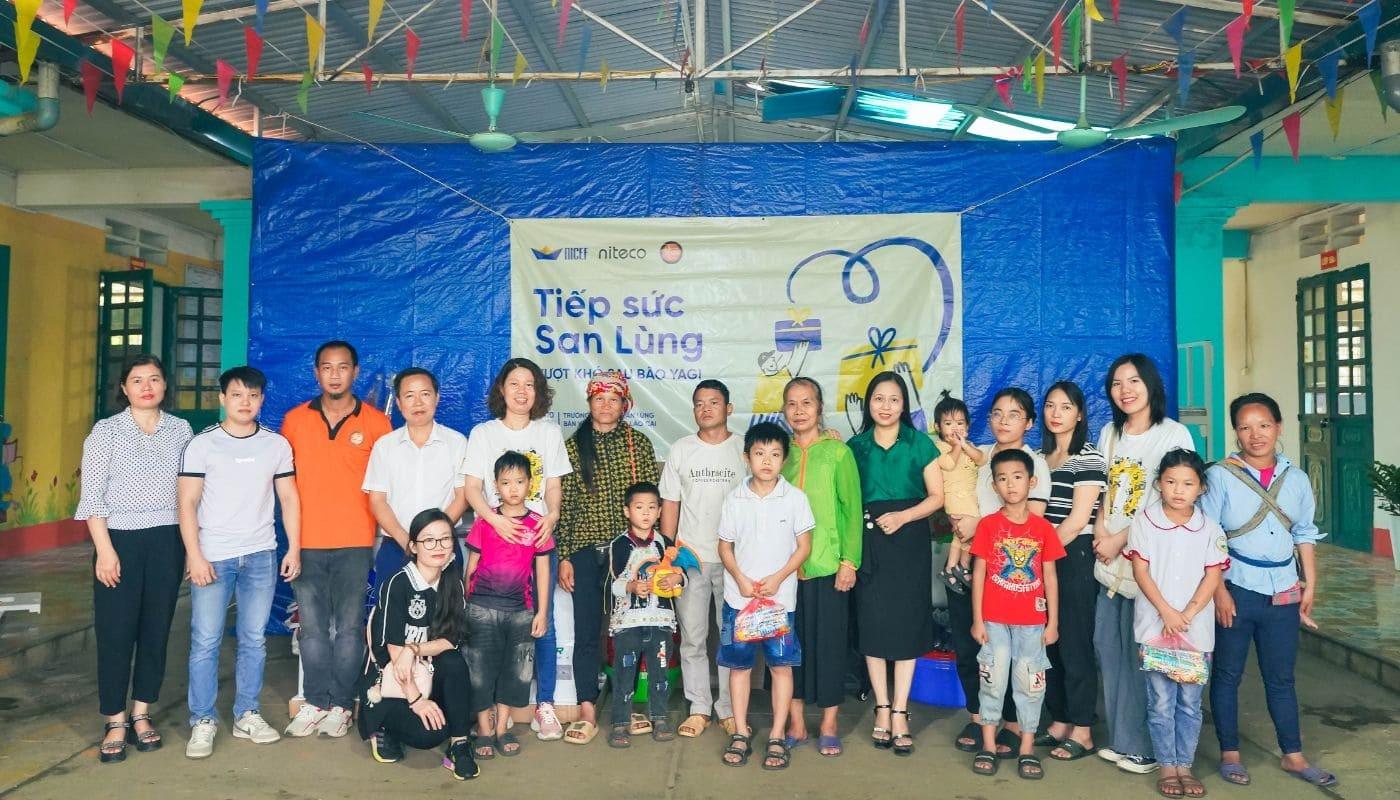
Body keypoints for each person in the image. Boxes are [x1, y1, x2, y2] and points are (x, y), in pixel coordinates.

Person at [1201, 393, 1336, 788]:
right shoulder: (1220, 476)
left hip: (1283, 590)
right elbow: (1209, 537)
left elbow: (1304, 532)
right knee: (1227, 674)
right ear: (1235, 432)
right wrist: (1218, 592)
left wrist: (1309, 581)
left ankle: (1293, 755)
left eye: (1263, 425)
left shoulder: (1296, 478)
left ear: (1278, 427)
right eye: (1245, 426)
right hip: (1236, 587)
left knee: (1282, 677)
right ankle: (1230, 753)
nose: (1255, 434)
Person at [179, 366, 301, 759]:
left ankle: (246, 712)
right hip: (213, 556)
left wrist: (293, 548)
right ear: (222, 399)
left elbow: (289, 500)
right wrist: (194, 555)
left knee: (253, 638)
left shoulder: (276, 445)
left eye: (252, 395)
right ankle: (202, 719)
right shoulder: (203, 445)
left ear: (262, 399)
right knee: (205, 640)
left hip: (261, 554)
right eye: (236, 395)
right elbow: (187, 503)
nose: (244, 402)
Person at [77, 355, 194, 763]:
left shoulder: (181, 430)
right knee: (115, 631)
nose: (146, 386)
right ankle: (115, 719)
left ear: (165, 386)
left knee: (156, 628)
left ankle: (142, 712)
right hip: (118, 541)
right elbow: (91, 497)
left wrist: (187, 547)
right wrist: (105, 550)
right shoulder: (105, 432)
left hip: (166, 540)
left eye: (154, 379)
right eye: (136, 380)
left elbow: (188, 495)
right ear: (123, 389)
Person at [281, 340, 393, 738]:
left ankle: (342, 705)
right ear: (316, 373)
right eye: (326, 367)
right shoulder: (294, 421)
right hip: (306, 542)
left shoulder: (378, 424)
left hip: (355, 542)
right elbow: (284, 485)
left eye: (342, 367)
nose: (334, 374)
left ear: (355, 372)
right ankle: (314, 701)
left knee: (348, 628)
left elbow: (385, 486)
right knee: (311, 629)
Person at [1093, 354, 1196, 775]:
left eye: (1134, 381)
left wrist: (1120, 538)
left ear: (1151, 384)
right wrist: (1102, 531)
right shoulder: (1109, 433)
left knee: (1144, 656)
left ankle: (1149, 748)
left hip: (1148, 564)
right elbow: (1101, 488)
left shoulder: (1173, 434)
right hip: (1109, 563)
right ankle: (1123, 740)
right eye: (1117, 383)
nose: (1126, 390)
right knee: (1109, 649)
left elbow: (1172, 499)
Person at [462, 357, 571, 740]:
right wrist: (494, 521)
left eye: (530, 384)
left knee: (542, 622)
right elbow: (472, 489)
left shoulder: (549, 433)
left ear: (538, 392)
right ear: (502, 390)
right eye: (514, 383)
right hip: (494, 539)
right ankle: (488, 707)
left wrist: (551, 517)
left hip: (536, 539)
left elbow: (554, 488)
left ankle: (544, 704)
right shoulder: (484, 433)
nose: (522, 390)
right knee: (487, 626)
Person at [947, 388, 1052, 757]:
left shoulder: (1032, 463)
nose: (1004, 420)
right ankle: (980, 717)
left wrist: (976, 524)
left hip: (1011, 574)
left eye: (1014, 413)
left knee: (1018, 656)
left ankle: (1012, 722)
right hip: (970, 560)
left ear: (1029, 422)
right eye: (997, 413)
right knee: (974, 644)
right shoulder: (980, 456)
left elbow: (1031, 524)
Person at [557, 370, 659, 744]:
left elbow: (651, 505)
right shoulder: (572, 447)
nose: (605, 405)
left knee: (629, 633)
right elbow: (563, 507)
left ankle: (626, 705)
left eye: (613, 399)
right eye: (598, 399)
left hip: (628, 552)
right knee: (586, 633)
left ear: (624, 404)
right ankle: (587, 709)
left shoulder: (639, 445)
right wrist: (564, 556)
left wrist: (651, 554)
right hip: (584, 552)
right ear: (588, 403)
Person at [848, 372, 944, 757]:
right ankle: (882, 709)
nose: (885, 406)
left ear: (904, 405)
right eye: (878, 399)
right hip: (869, 541)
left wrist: (904, 517)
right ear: (868, 404)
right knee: (872, 625)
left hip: (908, 542)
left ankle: (901, 711)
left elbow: (937, 497)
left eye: (893, 399)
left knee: (906, 625)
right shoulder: (856, 447)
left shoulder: (920, 443)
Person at [1125, 449, 1228, 799]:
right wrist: (1167, 612)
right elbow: (1141, 570)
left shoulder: (1210, 529)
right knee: (1161, 702)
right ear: (1159, 484)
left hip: (1195, 633)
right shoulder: (1145, 521)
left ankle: (1185, 764)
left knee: (1190, 703)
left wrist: (1188, 613)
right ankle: (1167, 765)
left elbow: (1213, 574)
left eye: (1188, 483)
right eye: (1170, 482)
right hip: (1156, 629)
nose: (1178, 490)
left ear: (1200, 488)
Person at [717, 422, 814, 770]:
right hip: (738, 601)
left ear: (784, 460)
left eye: (775, 454)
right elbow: (724, 547)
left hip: (780, 603)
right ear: (747, 458)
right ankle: (740, 731)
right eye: (759, 454)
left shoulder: (795, 499)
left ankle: (776, 734)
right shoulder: (734, 499)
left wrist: (777, 578)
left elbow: (804, 547)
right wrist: (741, 579)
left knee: (781, 667)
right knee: (739, 667)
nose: (767, 461)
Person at [358, 509, 478, 781]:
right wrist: (416, 700)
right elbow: (394, 653)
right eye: (429, 540)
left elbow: (450, 640)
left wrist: (415, 649)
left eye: (445, 539)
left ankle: (460, 745)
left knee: (456, 664)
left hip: (427, 671)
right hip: (392, 682)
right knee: (429, 735)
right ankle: (383, 725)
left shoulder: (452, 581)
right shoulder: (396, 584)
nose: (439, 547)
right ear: (413, 546)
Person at [778, 377, 862, 757]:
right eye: (792, 404)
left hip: (827, 565)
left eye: (806, 403)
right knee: (788, 649)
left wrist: (849, 561)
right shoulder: (779, 453)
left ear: (820, 407)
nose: (799, 410)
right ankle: (795, 722)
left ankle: (829, 722)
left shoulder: (838, 453)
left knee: (829, 645)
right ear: (783, 410)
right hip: (783, 571)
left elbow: (851, 511)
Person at [968, 449, 1064, 781]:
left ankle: (1026, 747)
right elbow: (978, 572)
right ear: (994, 485)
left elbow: (1049, 576)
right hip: (993, 619)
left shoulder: (1043, 528)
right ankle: (989, 745)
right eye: (1003, 478)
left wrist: (1053, 622)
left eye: (1018, 477)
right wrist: (977, 619)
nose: (1010, 484)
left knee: (1030, 684)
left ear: (1031, 482)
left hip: (1033, 623)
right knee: (993, 681)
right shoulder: (988, 526)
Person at [660, 379, 746, 739]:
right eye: (699, 403)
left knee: (729, 638)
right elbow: (670, 505)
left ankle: (728, 708)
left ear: (729, 408)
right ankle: (698, 707)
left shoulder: (745, 450)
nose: (706, 409)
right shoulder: (681, 450)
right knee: (693, 639)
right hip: (691, 560)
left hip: (735, 562)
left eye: (714, 402)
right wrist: (669, 557)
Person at [463, 451, 552, 760]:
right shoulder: (486, 522)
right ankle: (484, 730)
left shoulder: (538, 524)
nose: (513, 488)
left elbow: (543, 570)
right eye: (505, 482)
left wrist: (541, 612)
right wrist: (467, 602)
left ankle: (502, 728)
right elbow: (471, 564)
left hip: (520, 611)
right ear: (495, 486)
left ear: (530, 484)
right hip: (481, 608)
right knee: (480, 671)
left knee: (515, 672)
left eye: (519, 481)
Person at [1037, 381, 1106, 761]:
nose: (1056, 413)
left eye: (1065, 407)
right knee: (1050, 643)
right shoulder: (1038, 458)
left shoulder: (1088, 458)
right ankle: (1060, 718)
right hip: (1040, 557)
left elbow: (1078, 519)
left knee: (1075, 643)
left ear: (1079, 414)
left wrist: (1038, 554)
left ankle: (1083, 728)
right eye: (1050, 406)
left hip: (1072, 554)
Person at [363, 367, 469, 592]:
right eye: (409, 396)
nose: (418, 403)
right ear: (399, 403)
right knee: (392, 620)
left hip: (444, 546)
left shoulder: (456, 443)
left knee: (445, 621)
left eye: (425, 394)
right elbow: (377, 501)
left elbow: (463, 497)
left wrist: (433, 538)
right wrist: (408, 542)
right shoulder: (385, 446)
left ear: (437, 397)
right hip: (396, 548)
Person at [605, 481, 682, 748]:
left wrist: (675, 581)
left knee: (659, 673)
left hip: (660, 621)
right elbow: (612, 584)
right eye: (639, 507)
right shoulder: (620, 544)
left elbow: (680, 578)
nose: (646, 513)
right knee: (625, 675)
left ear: (660, 511)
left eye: (652, 507)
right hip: (628, 623)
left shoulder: (666, 544)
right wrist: (631, 586)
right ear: (627, 511)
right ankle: (619, 722)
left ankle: (659, 718)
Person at [932, 392, 984, 594]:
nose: (955, 428)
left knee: (962, 535)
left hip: (969, 497)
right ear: (937, 427)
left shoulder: (969, 447)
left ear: (968, 427)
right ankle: (961, 565)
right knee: (970, 532)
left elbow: (981, 459)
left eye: (960, 423)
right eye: (948, 423)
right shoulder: (940, 447)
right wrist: (956, 447)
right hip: (956, 498)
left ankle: (953, 568)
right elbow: (948, 463)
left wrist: (965, 447)